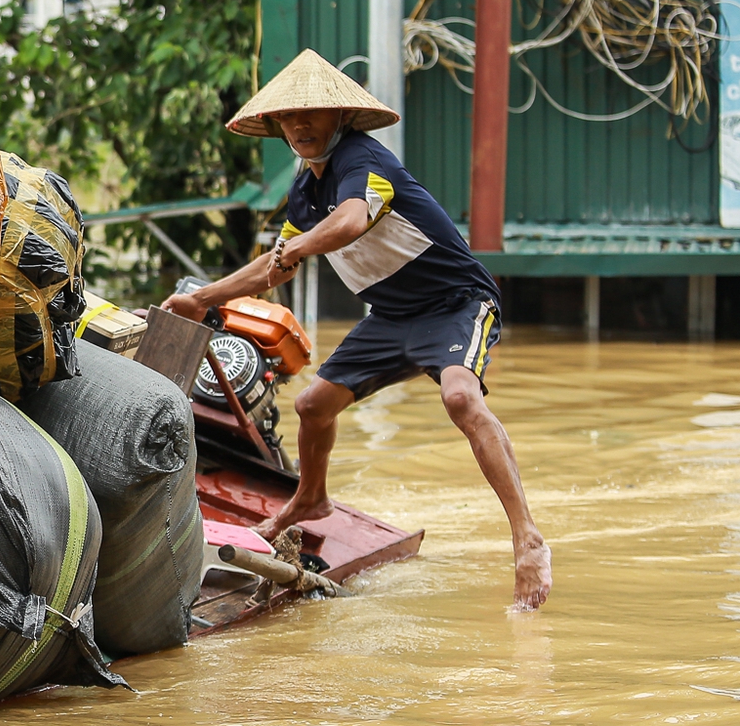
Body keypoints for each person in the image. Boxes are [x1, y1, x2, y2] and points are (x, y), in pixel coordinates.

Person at [163, 50, 551, 610]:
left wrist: (294, 246)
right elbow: (274, 266)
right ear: (275, 127)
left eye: (314, 114)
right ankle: (310, 499)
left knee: (461, 396)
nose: (301, 126)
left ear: (340, 117)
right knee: (312, 407)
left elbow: (350, 220)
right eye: (289, 118)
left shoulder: (365, 161)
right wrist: (203, 297)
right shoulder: (303, 191)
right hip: (391, 317)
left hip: (455, 304)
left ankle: (527, 538)